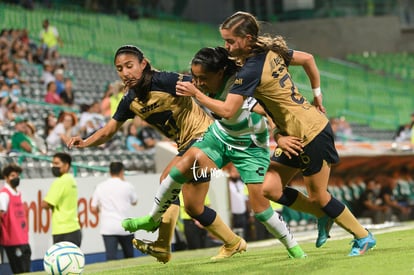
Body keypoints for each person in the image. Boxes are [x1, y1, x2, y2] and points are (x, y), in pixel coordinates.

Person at [173, 11, 376, 256]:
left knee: (319, 195)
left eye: (230, 41)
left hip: (311, 132)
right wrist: (316, 94)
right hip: (291, 134)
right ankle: (323, 215)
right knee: (270, 188)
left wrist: (197, 94)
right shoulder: (268, 52)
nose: (226, 46)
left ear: (247, 39)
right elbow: (309, 59)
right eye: (224, 40)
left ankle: (363, 236)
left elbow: (228, 111)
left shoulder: (250, 70)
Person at [123, 47, 306, 259]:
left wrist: (278, 133)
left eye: (202, 78)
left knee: (261, 209)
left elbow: (258, 110)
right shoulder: (203, 81)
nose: (197, 81)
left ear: (219, 74)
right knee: (180, 168)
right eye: (195, 77)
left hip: (250, 146)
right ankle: (153, 219)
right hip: (220, 136)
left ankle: (294, 249)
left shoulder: (237, 86)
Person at [66, 45, 242, 263]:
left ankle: (161, 244)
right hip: (187, 146)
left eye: (129, 66)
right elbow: (108, 131)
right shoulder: (130, 101)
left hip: (206, 138)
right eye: (119, 68)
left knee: (167, 180)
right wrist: (84, 142)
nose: (125, 72)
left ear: (143, 64)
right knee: (195, 208)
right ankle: (233, 242)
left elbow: (203, 83)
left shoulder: (165, 81)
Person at [90, 162, 138, 260]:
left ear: (110, 171)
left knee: (111, 258)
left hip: (108, 227)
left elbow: (93, 208)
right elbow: (134, 202)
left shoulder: (101, 186)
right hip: (126, 226)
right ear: (122, 171)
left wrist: (101, 209)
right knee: (130, 258)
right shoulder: (127, 185)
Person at [41, 152, 82, 247]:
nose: (53, 166)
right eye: (53, 163)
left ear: (66, 165)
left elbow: (46, 204)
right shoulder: (71, 179)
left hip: (62, 230)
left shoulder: (60, 182)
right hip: (74, 229)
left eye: (57, 163)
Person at [0, 164, 32, 274]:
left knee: (26, 270)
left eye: (17, 175)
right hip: (12, 241)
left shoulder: (17, 194)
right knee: (20, 271)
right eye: (13, 175)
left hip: (23, 239)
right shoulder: (4, 195)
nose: (16, 178)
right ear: (6, 177)